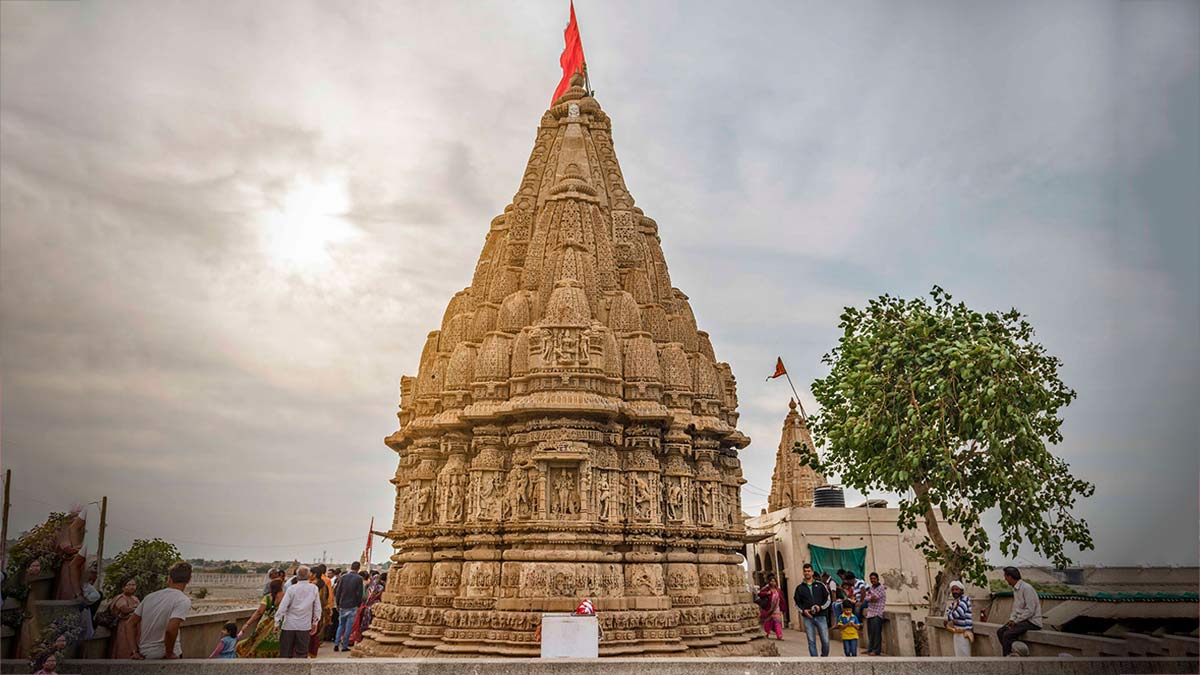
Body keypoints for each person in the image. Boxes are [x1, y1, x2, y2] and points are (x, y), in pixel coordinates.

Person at [130, 561, 192, 659]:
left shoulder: (150, 597)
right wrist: (169, 653)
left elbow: (131, 623)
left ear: (169, 579)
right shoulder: (182, 600)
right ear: (188, 580)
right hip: (166, 656)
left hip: (145, 654)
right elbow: (171, 629)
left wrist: (134, 651)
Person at [275, 565, 320, 659]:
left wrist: (277, 622)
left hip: (289, 625)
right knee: (302, 654)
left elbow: (283, 607)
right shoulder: (314, 589)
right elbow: (317, 608)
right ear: (309, 576)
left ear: (297, 576)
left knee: (285, 653)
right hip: (304, 626)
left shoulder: (291, 589)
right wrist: (315, 622)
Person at [996, 567, 1041, 656]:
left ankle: (1008, 657)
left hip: (1032, 621)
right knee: (1001, 631)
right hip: (1022, 620)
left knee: (1007, 635)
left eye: (1005, 576)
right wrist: (1012, 619)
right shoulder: (1016, 589)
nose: (1005, 579)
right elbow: (1016, 608)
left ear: (1010, 576)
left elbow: (1030, 610)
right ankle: (1013, 652)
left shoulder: (1027, 588)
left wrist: (1016, 621)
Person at [236, 577, 284, 657]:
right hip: (281, 624)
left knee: (256, 643)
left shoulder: (268, 598)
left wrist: (247, 624)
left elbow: (259, 612)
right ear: (281, 587)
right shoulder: (286, 597)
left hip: (265, 625)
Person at [793, 562, 831, 657]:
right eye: (805, 571)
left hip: (821, 616)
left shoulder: (820, 585)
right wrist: (803, 611)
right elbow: (797, 603)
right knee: (811, 641)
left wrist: (821, 607)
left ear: (812, 572)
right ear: (803, 573)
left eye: (809, 571)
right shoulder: (799, 588)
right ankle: (815, 661)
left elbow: (828, 599)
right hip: (808, 618)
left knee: (825, 641)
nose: (807, 573)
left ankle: (824, 658)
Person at [334, 561, 365, 652]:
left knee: (340, 625)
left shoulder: (343, 577)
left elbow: (338, 591)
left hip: (343, 604)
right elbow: (359, 593)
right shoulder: (359, 578)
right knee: (348, 627)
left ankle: (336, 644)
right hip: (353, 605)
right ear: (358, 568)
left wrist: (338, 603)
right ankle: (344, 646)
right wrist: (358, 604)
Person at [349, 571, 386, 645]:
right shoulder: (380, 587)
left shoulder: (369, 587)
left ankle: (360, 637)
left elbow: (366, 597)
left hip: (366, 607)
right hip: (374, 607)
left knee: (363, 623)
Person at [108, 578, 140, 659]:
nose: (132, 587)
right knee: (124, 646)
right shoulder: (121, 598)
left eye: (133, 585)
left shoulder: (135, 598)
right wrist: (136, 608)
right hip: (123, 626)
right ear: (123, 587)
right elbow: (124, 609)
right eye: (129, 585)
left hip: (135, 626)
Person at [944, 580, 974, 657]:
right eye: (953, 590)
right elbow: (948, 612)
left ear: (961, 590)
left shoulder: (965, 600)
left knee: (965, 655)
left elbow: (958, 613)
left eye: (957, 589)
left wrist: (948, 618)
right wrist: (949, 616)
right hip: (956, 631)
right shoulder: (954, 602)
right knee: (958, 655)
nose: (954, 591)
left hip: (964, 633)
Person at [307, 564, 332, 657]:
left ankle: (307, 652)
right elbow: (328, 598)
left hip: (309, 613)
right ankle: (313, 653)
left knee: (308, 634)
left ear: (314, 574)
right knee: (315, 635)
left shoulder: (311, 585)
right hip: (320, 612)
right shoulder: (324, 584)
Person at [863, 571, 887, 655]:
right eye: (871, 579)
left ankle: (876, 650)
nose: (872, 580)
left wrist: (870, 597)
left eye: (874, 578)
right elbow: (866, 598)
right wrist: (870, 597)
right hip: (870, 613)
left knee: (876, 633)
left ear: (877, 579)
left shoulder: (881, 588)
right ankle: (870, 649)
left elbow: (874, 598)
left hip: (877, 613)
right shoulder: (872, 588)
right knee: (871, 633)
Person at [756, 573, 786, 640]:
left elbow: (782, 600)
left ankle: (779, 635)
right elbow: (760, 594)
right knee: (768, 621)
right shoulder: (766, 589)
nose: (773, 582)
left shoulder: (778, 590)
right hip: (769, 608)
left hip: (776, 609)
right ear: (769, 582)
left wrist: (783, 609)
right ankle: (766, 633)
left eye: (774, 581)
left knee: (777, 622)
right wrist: (767, 593)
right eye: (771, 581)